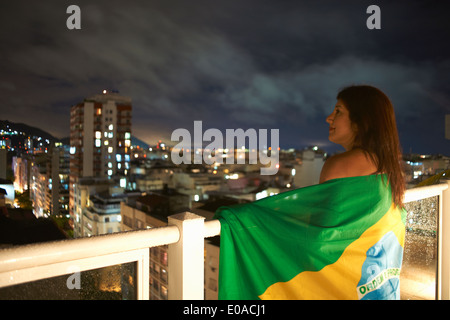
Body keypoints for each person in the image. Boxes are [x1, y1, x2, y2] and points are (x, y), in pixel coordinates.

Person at [319, 85, 405, 207]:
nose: (329, 118)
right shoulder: (387, 164)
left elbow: (322, 221)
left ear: (360, 121)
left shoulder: (339, 165)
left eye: (338, 111)